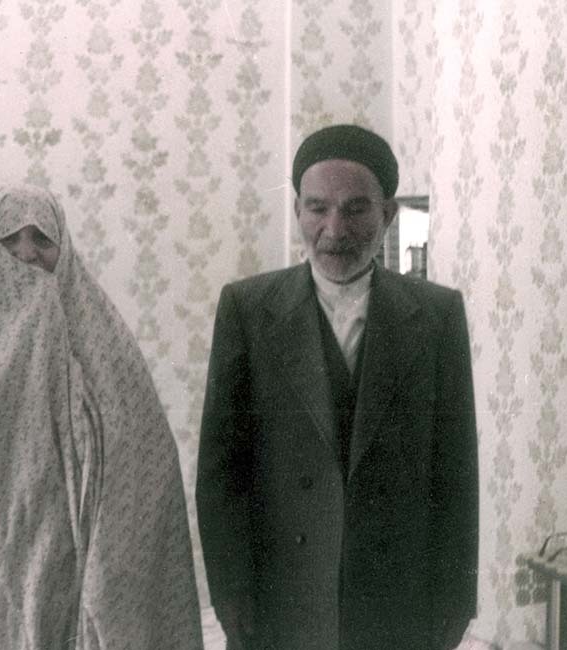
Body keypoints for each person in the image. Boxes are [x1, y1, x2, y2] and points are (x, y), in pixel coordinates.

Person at [196, 124, 478, 650]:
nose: (334, 229)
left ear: (387, 214)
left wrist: (457, 596)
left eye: (355, 209)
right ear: (297, 211)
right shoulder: (247, 309)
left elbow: (456, 469)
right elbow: (220, 469)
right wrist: (229, 591)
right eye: (317, 208)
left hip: (396, 594)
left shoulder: (437, 315)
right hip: (283, 589)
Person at [0, 184, 203, 650]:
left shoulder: (101, 339)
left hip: (64, 562)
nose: (27, 254)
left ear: (64, 249)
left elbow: (143, 452)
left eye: (42, 239)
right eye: (9, 239)